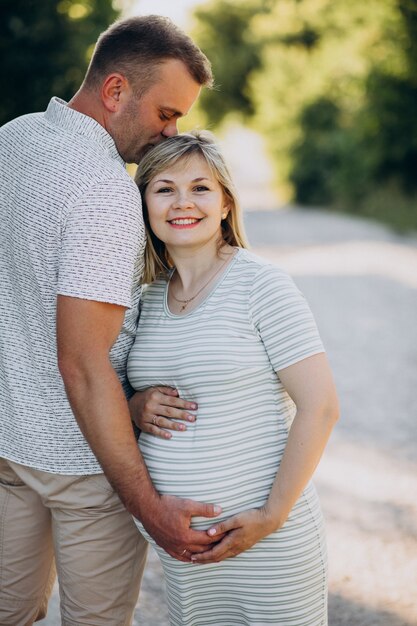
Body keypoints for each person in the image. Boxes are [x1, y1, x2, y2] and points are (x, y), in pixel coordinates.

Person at [0, 16, 221, 626]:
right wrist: (150, 509)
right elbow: (82, 363)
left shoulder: (11, 139)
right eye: (167, 114)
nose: (173, 131)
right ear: (117, 90)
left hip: (9, 450)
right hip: (85, 467)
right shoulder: (106, 190)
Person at [128, 130, 340, 625]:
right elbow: (115, 388)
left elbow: (322, 407)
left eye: (201, 188)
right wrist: (136, 405)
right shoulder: (146, 297)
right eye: (164, 189)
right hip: (185, 549)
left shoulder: (261, 284)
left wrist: (272, 517)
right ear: (144, 204)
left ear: (225, 203)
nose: (183, 202)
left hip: (268, 540)